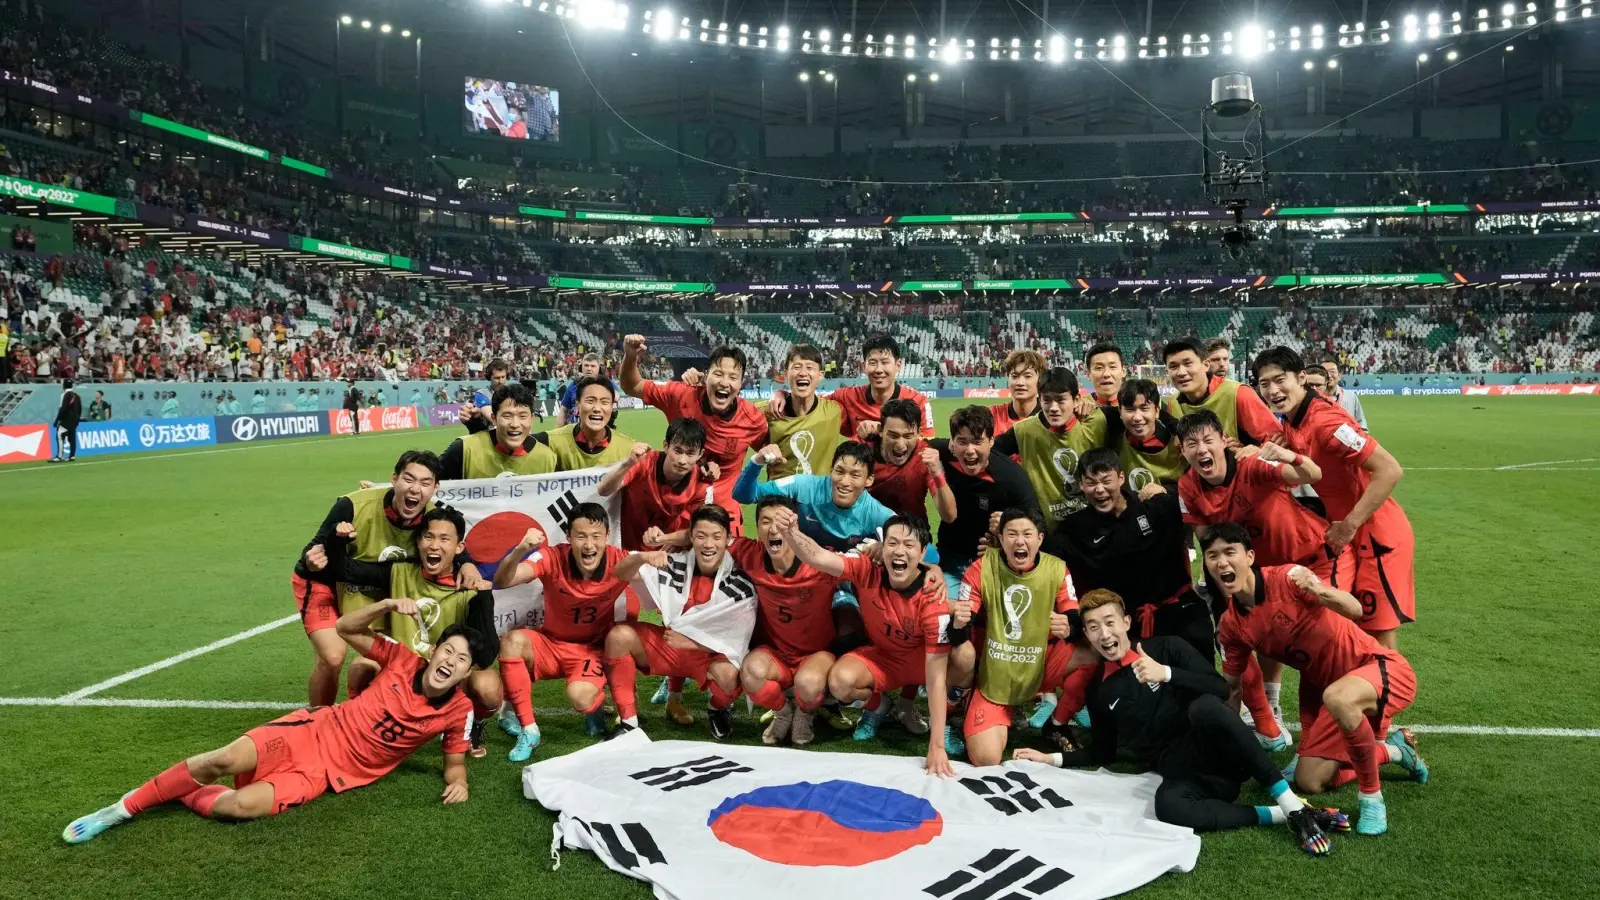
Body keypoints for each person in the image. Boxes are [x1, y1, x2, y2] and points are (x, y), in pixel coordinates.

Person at [62, 603, 487, 843]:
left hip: (328, 774)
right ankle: (121, 809)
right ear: (433, 653)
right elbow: (343, 626)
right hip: (315, 731)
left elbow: (454, 762)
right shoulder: (400, 657)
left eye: (462, 659)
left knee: (238, 805)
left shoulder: (459, 711)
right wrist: (390, 606)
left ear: (467, 673)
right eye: (447, 651)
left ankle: (179, 794)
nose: (450, 661)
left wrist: (460, 782)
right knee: (224, 758)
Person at [1014, 590, 1348, 856]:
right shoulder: (1098, 689)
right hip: (1189, 775)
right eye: (1093, 627)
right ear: (1086, 633)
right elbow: (1102, 752)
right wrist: (1050, 759)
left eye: (1110, 622)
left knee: (1205, 707)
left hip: (1223, 753)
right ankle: (1285, 814)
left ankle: (1289, 801)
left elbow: (1220, 688)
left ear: (1126, 622)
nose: (1105, 633)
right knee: (1167, 806)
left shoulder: (1167, 647)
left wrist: (1166, 674)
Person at [1203, 523, 1429, 835]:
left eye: (1230, 552)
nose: (1222, 562)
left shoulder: (1287, 578)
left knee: (1339, 698)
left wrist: (1319, 589)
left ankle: (1371, 798)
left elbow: (1354, 610)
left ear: (1251, 556)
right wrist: (1221, 738)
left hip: (1378, 667)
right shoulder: (1231, 627)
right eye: (1212, 556)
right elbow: (1232, 687)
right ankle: (1395, 751)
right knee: (1309, 781)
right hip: (1327, 693)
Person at [1176, 408, 1355, 737]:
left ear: (1223, 441)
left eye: (1208, 440)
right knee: (1267, 633)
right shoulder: (1188, 486)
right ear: (1182, 451)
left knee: (1326, 640)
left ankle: (1348, 721)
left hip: (1314, 557)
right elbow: (1203, 533)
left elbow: (1311, 475)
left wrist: (1287, 455)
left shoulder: (1251, 464)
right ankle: (1272, 708)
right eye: (1191, 443)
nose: (1201, 449)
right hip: (1265, 569)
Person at [778, 511, 969, 776]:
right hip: (883, 658)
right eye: (892, 543)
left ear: (923, 553)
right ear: (882, 546)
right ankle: (878, 706)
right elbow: (820, 557)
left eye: (908, 545)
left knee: (965, 658)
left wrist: (936, 746)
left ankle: (937, 720)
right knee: (840, 682)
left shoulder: (931, 598)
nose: (899, 551)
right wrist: (791, 533)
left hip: (920, 663)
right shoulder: (867, 569)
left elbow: (936, 679)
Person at [1253, 347, 1415, 649]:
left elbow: (1390, 470)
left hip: (1377, 535)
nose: (1273, 390)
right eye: (1265, 384)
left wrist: (1349, 525)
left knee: (1377, 636)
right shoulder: (1293, 419)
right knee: (1348, 631)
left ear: (1301, 377)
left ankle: (1390, 693)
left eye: (1280, 379)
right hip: (1349, 536)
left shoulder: (1326, 422)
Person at [491, 503, 665, 760]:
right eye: (581, 536)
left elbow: (666, 580)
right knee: (512, 641)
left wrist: (658, 555)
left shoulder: (620, 561)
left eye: (596, 536)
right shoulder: (551, 557)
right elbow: (502, 581)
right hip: (551, 644)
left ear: (607, 536)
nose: (589, 545)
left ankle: (595, 706)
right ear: (569, 536)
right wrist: (521, 550)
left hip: (591, 650)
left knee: (582, 699)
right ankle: (529, 730)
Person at [292, 450, 442, 706]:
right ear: (394, 479)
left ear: (435, 488)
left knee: (375, 662)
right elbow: (316, 547)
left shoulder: (434, 520)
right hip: (325, 582)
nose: (415, 489)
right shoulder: (352, 505)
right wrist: (311, 559)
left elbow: (452, 554)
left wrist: (469, 568)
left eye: (425, 483)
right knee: (332, 657)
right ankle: (318, 722)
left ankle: (364, 718)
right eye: (409, 479)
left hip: (379, 588)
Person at [956, 508, 1095, 766]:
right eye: (1012, 534)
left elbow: (1072, 612)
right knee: (986, 759)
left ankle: (1058, 723)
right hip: (996, 672)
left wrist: (1070, 627)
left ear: (1040, 539)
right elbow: (964, 621)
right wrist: (959, 621)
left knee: (1095, 652)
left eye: (1027, 534)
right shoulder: (982, 567)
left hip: (1040, 665)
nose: (1020, 541)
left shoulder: (1057, 569)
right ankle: (969, 703)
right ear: (1001, 538)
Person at [604, 504, 756, 740]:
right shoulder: (676, 564)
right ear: (691, 538)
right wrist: (643, 556)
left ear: (728, 540)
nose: (708, 544)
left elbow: (738, 642)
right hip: (670, 646)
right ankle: (629, 722)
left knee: (730, 677)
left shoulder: (740, 583)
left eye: (716, 537)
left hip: (707, 655)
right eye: (701, 536)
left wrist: (693, 643)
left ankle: (717, 708)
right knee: (618, 637)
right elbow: (620, 572)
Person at [730, 496, 846, 746]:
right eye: (765, 522)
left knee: (808, 683)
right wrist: (664, 540)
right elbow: (709, 536)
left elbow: (866, 568)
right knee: (750, 673)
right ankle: (783, 713)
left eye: (781, 522)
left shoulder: (822, 561)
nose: (773, 529)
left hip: (816, 654)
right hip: (775, 654)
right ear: (757, 528)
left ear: (795, 526)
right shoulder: (749, 553)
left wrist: (929, 568)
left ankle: (805, 713)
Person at [621, 336, 768, 528]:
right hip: (676, 512)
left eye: (733, 377)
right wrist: (630, 356)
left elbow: (772, 455)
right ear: (705, 376)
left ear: (741, 384)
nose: (724, 382)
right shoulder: (680, 394)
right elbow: (632, 386)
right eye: (718, 374)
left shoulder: (752, 419)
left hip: (724, 517)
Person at [930, 406, 1038, 595]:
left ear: (991, 442)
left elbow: (1037, 521)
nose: (970, 450)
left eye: (978, 442)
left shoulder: (1011, 477)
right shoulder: (942, 453)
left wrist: (1009, 524)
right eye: (962, 441)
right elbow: (911, 443)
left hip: (997, 562)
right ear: (952, 443)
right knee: (948, 615)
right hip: (951, 559)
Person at [993, 366, 1109, 529]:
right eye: (1047, 400)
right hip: (1047, 533)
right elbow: (991, 454)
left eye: (1061, 400)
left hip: (1094, 529)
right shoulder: (1024, 431)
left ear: (1076, 400)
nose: (1053, 408)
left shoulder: (1097, 422)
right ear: (1039, 400)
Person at [733, 440, 894, 552]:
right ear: (831, 470)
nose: (845, 481)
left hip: (841, 583)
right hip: (799, 574)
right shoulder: (803, 486)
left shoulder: (874, 513)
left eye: (855, 475)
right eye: (839, 471)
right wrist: (756, 461)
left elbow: (912, 542)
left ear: (869, 479)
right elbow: (745, 495)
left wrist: (885, 548)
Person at [596, 418, 716, 552]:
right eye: (677, 451)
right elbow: (603, 489)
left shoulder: (702, 484)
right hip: (624, 548)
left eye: (690, 453)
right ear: (666, 445)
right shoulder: (645, 461)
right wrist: (627, 463)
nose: (682, 460)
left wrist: (665, 539)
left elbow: (701, 531)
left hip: (665, 553)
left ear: (700, 454)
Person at [1162, 338, 1281, 447]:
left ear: (1206, 365)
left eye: (1188, 364)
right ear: (1167, 371)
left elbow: (1280, 441)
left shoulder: (1239, 394)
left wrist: (1255, 452)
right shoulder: (1172, 405)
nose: (1181, 372)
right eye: (1173, 367)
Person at [817, 333, 935, 440]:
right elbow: (810, 404)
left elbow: (927, 446)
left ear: (898, 365)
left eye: (885, 362)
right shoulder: (847, 396)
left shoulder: (919, 402)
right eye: (873, 363)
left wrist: (882, 430)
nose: (879, 370)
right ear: (864, 366)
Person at [865, 398, 958, 525]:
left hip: (913, 536)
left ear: (919, 432)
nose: (900, 445)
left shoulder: (924, 457)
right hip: (870, 534)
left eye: (908, 436)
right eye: (893, 436)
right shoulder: (863, 451)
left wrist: (938, 474)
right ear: (881, 430)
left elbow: (949, 516)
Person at [439, 384, 557, 479]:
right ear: (494, 418)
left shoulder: (547, 458)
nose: (515, 424)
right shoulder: (463, 450)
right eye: (507, 416)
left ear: (532, 419)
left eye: (522, 416)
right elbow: (429, 483)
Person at [761, 344, 843, 478]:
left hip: (819, 497)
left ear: (820, 375)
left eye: (809, 367)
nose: (803, 373)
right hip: (779, 497)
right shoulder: (768, 411)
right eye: (797, 367)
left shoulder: (835, 410)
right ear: (786, 374)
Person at [1103, 378, 1186, 491]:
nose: (1137, 417)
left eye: (1144, 408)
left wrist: (1167, 491)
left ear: (1157, 411)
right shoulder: (1114, 433)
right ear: (1120, 411)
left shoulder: (1178, 442)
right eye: (1130, 409)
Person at [537, 374, 636, 469]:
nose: (597, 408)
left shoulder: (629, 449)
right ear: (578, 404)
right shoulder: (549, 442)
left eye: (604, 402)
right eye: (590, 401)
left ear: (611, 407)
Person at [989, 350, 1047, 434]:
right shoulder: (991, 415)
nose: (1020, 382)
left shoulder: (1051, 417)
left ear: (1040, 380)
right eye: (1014, 376)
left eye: (1027, 376)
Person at [459, 359, 510, 434]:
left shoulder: (511, 393)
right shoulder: (482, 393)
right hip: (490, 436)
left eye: (503, 377)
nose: (501, 381)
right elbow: (490, 416)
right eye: (497, 378)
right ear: (490, 377)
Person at [1319, 355, 1367, 430]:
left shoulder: (1351, 397)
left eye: (1332, 371)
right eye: (1324, 372)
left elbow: (1362, 424)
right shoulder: (1312, 398)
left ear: (1339, 376)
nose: (1328, 375)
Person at [558, 353, 605, 426]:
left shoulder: (606, 384)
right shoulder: (573, 385)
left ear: (599, 369)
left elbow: (616, 396)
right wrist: (559, 432)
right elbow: (563, 410)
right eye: (586, 365)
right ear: (581, 367)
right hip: (574, 431)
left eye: (593, 366)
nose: (589, 369)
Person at [1084, 341, 1127, 409]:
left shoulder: (1138, 406)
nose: (1106, 374)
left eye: (1112, 367)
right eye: (1099, 368)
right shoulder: (1079, 410)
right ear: (1088, 374)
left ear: (1123, 371)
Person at [50, 378, 81, 462]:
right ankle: (72, 456)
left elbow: (62, 409)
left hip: (66, 420)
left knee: (59, 435)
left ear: (63, 386)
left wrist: (57, 421)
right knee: (72, 437)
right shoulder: (77, 395)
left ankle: (59, 456)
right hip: (74, 420)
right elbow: (79, 409)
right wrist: (77, 420)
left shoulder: (64, 395)